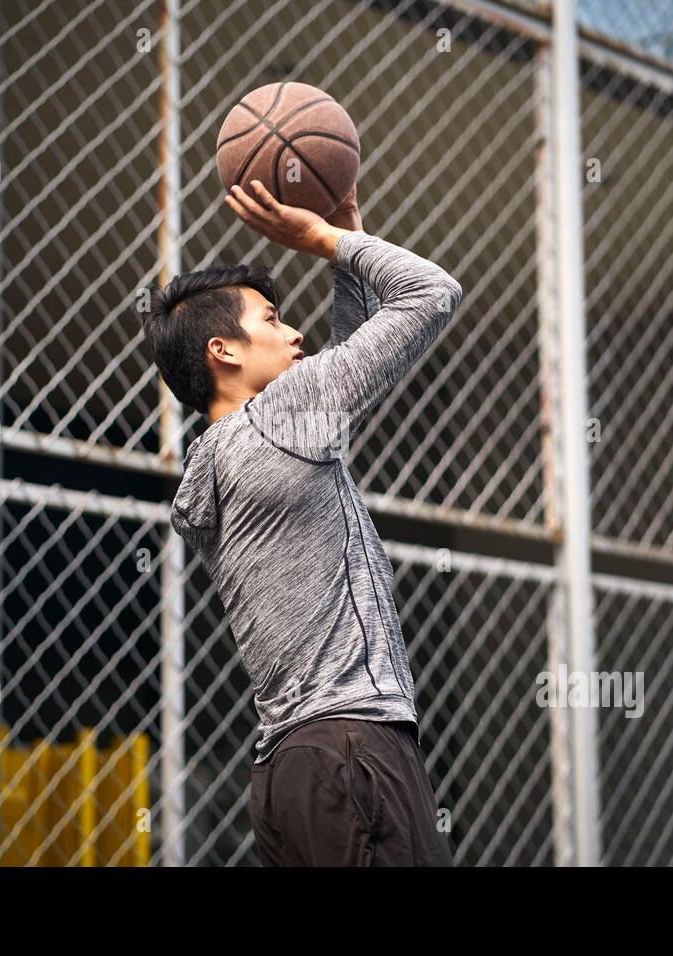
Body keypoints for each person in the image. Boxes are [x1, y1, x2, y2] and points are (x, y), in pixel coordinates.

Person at [140, 178, 462, 865]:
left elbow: (344, 367)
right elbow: (433, 293)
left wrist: (346, 248)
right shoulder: (285, 418)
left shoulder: (229, 453)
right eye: (271, 320)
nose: (295, 333)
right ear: (222, 351)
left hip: (292, 773)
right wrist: (324, 239)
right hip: (353, 752)